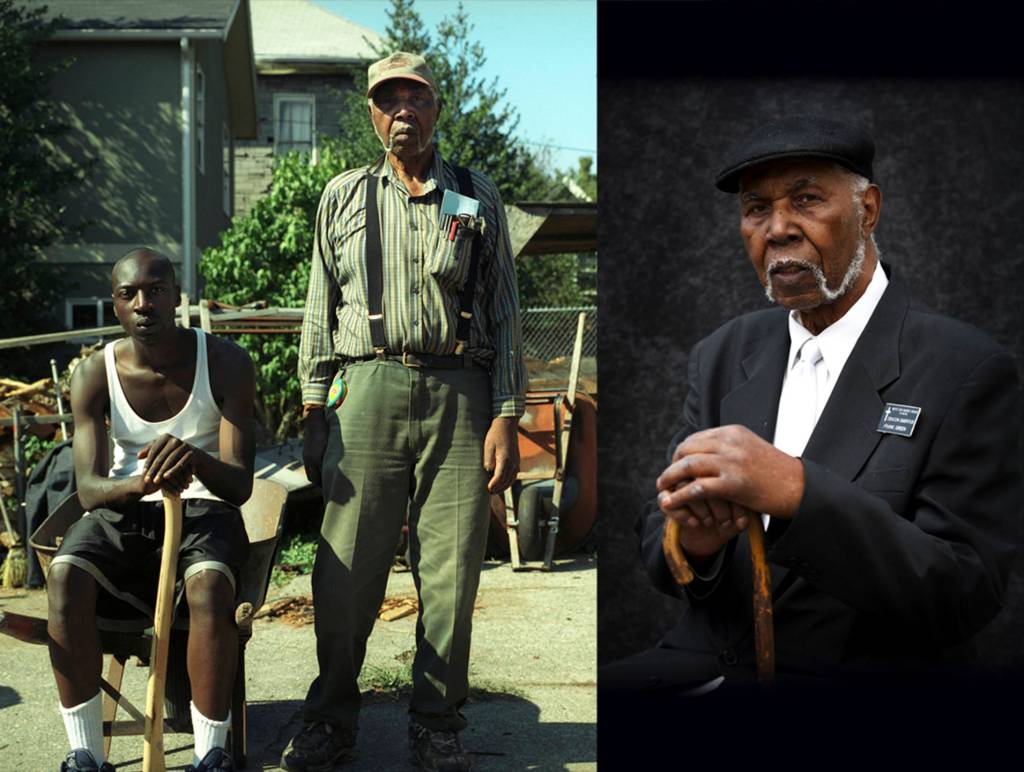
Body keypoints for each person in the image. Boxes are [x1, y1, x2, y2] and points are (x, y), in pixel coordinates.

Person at [603, 117, 1021, 704]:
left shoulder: (965, 367)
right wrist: (692, 541)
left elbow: (964, 594)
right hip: (695, 668)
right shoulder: (721, 353)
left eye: (806, 200)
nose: (778, 229)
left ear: (868, 210)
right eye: (756, 209)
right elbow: (656, 533)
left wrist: (799, 492)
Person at [282, 52, 525, 772]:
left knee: (451, 572)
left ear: (436, 108)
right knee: (345, 569)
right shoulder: (342, 195)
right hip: (365, 392)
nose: (402, 113)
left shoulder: (477, 196)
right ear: (371, 115)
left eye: (415, 98)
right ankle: (330, 718)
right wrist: (311, 408)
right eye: (387, 101)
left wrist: (507, 415)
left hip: (461, 393)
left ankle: (437, 723)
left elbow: (508, 312)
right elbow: (319, 308)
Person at [47, 248, 256, 772]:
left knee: (209, 586)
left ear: (177, 297)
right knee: (64, 576)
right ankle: (86, 755)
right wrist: (144, 481)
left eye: (156, 290)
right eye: (128, 294)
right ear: (115, 307)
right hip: (125, 513)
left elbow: (240, 486)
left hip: (206, 511)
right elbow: (91, 491)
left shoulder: (226, 362)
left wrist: (194, 459)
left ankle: (211, 757)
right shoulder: (94, 374)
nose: (144, 303)